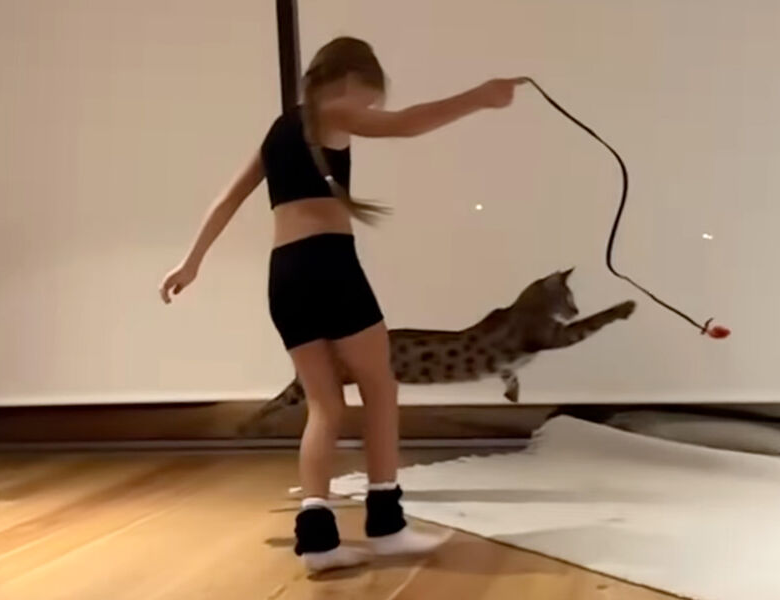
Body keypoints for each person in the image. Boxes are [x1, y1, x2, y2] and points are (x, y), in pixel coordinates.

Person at [159, 37, 525, 573]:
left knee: (325, 405)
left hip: (285, 275)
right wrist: (481, 97)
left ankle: (317, 541)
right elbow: (406, 124)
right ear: (350, 81)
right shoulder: (331, 112)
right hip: (329, 265)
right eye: (367, 100)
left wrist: (191, 262)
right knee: (379, 388)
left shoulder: (281, 128)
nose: (366, 112)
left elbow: (228, 198)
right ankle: (387, 525)